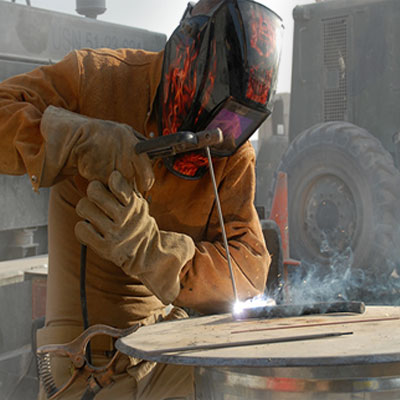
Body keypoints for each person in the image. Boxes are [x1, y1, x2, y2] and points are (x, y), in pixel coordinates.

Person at [0, 0, 283, 398]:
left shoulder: (230, 144)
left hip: (167, 347)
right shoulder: (96, 79)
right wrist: (77, 138)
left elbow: (249, 269)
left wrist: (154, 253)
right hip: (84, 363)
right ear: (181, 54)